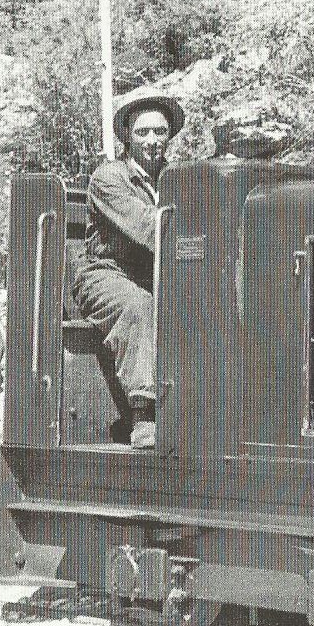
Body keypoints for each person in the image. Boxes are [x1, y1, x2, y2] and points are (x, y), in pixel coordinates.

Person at [71, 87, 185, 450]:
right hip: (105, 275)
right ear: (127, 138)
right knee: (139, 306)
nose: (152, 140)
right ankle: (144, 414)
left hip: (156, 275)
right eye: (143, 132)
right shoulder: (108, 179)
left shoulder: (175, 178)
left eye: (160, 132)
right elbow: (152, 230)